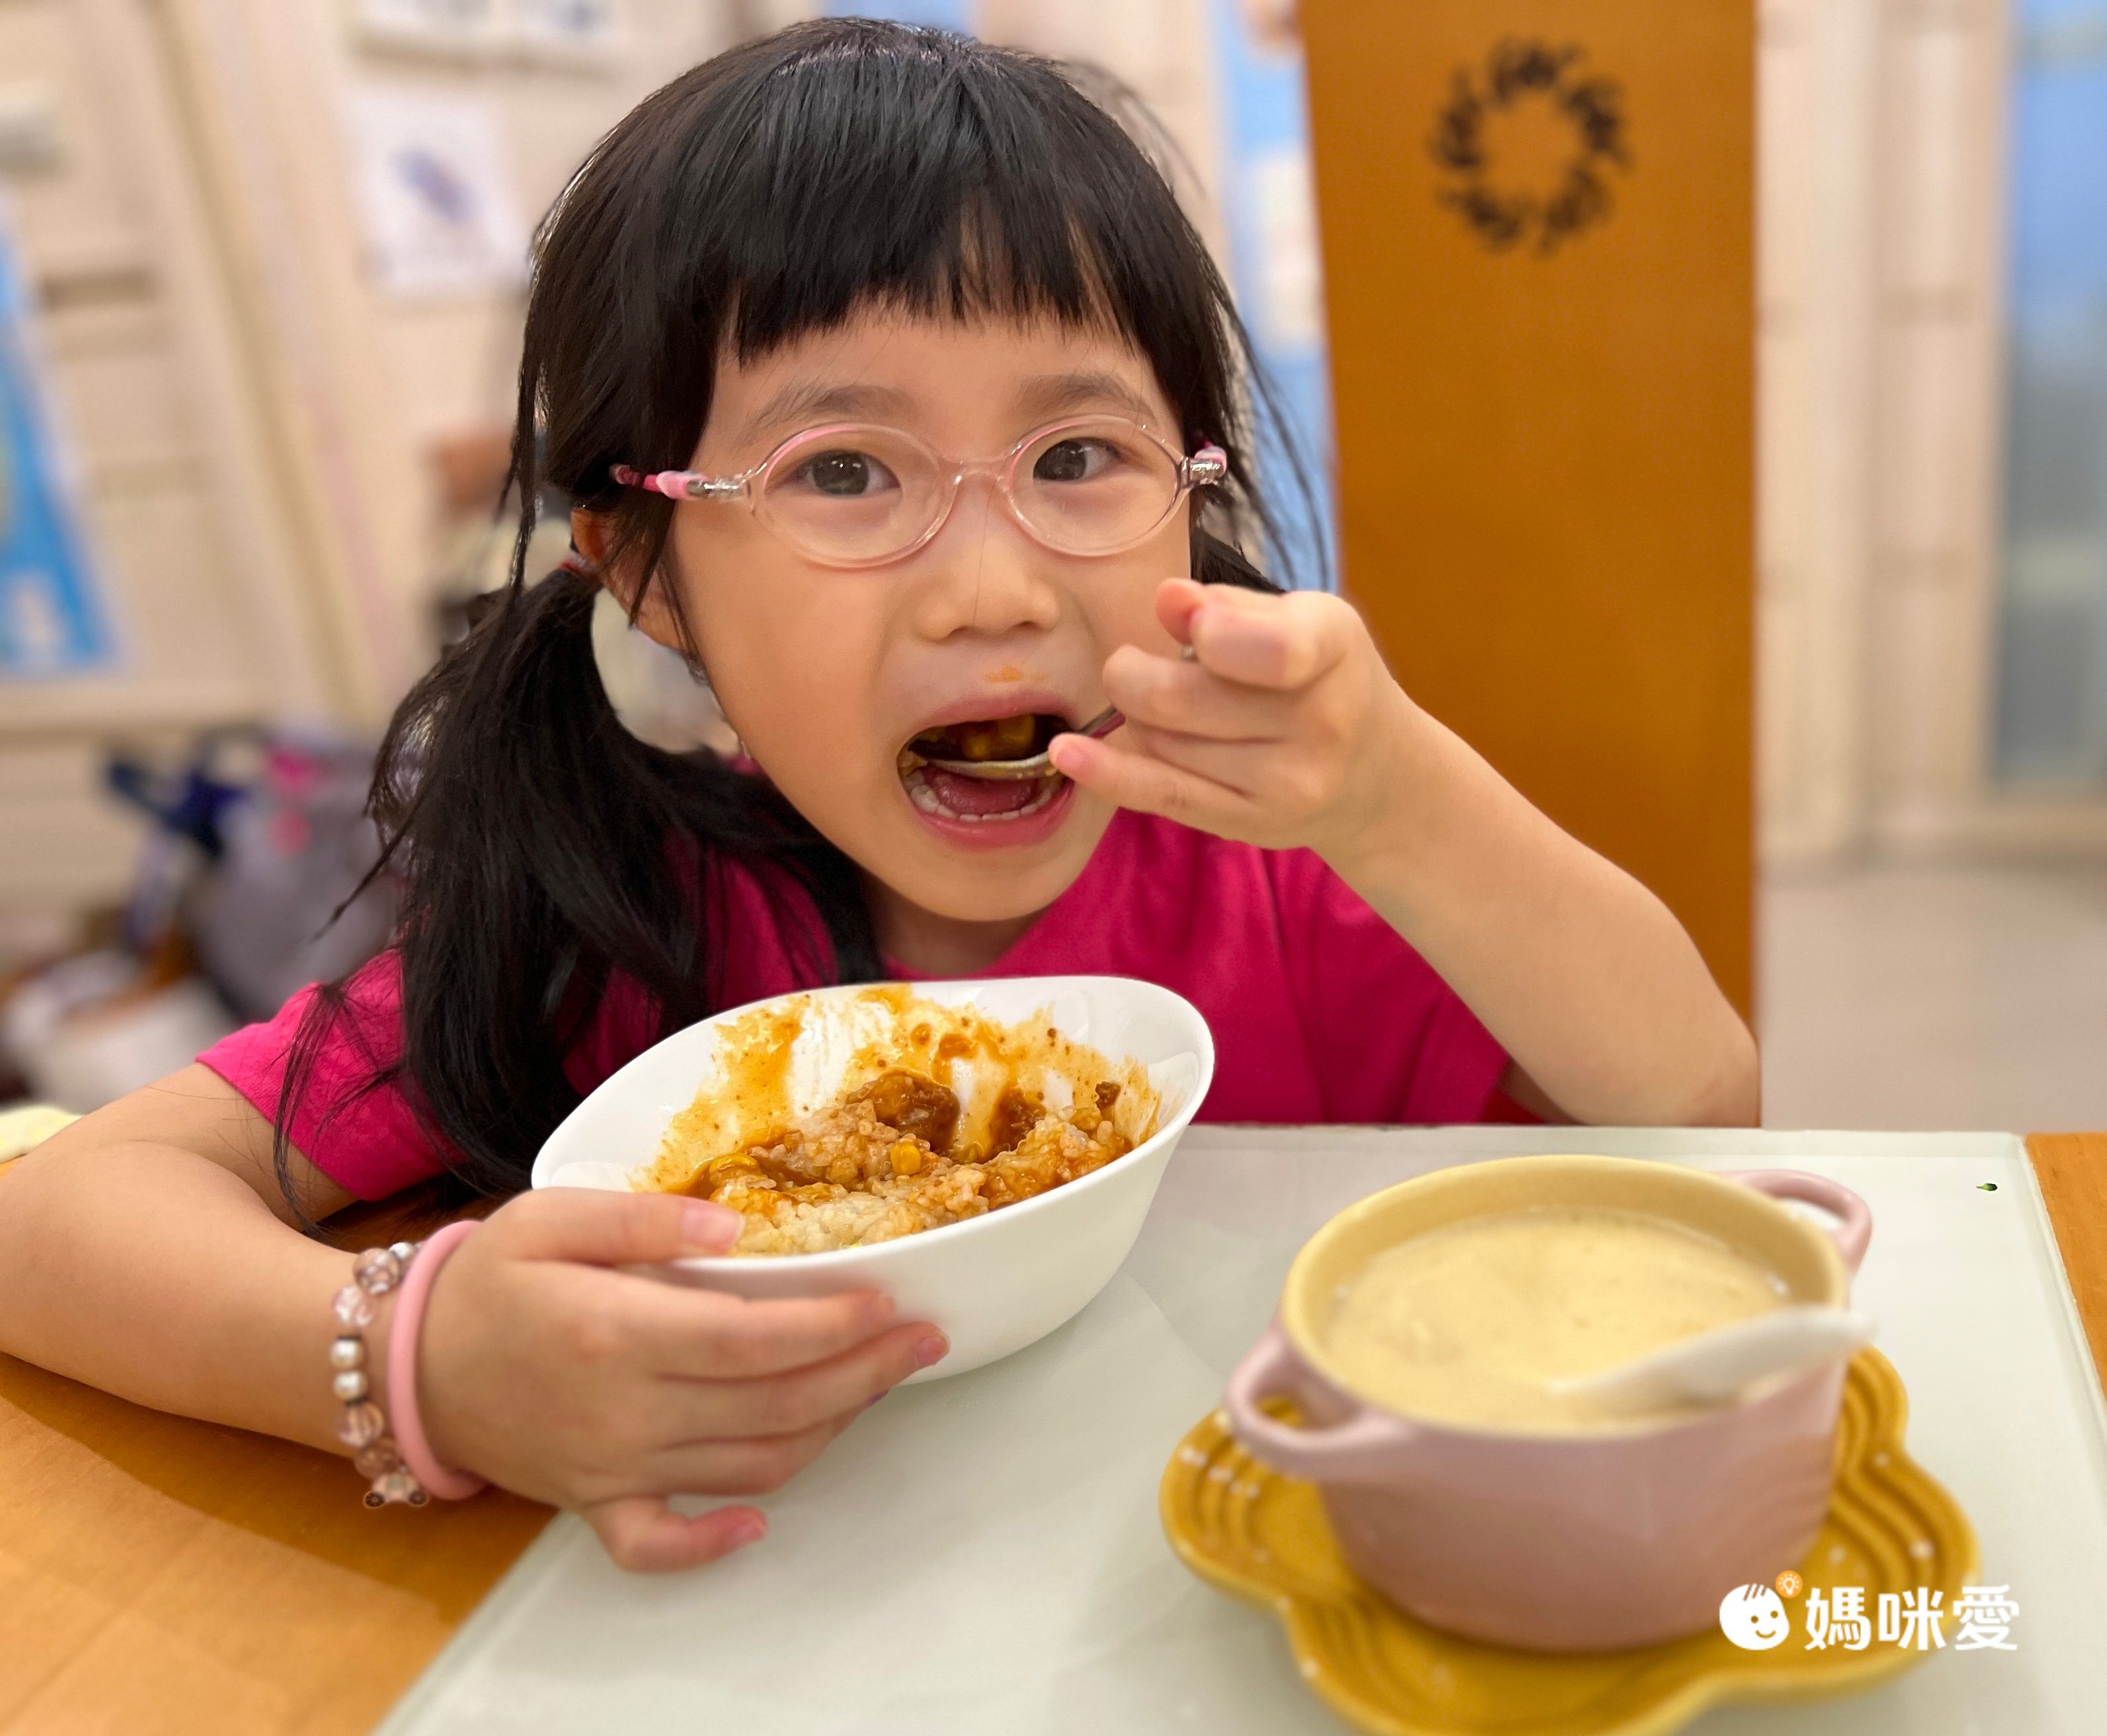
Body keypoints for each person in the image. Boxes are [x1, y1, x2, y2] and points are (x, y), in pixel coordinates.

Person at [0, 20, 1755, 1573]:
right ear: (647, 574)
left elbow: (1695, 1097)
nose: (989, 586)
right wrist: (415, 1359)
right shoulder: (619, 918)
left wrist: (1397, 801)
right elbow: (51, 1215)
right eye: (843, 468)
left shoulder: (1288, 882)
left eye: (1077, 456)